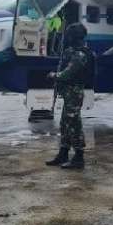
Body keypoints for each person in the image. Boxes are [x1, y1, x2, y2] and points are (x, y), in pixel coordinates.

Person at [46, 23, 95, 170]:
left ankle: (79, 157)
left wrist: (54, 75)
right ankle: (64, 152)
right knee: (65, 123)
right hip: (68, 92)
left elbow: (67, 73)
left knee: (74, 124)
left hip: (74, 92)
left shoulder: (80, 54)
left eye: (69, 36)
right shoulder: (72, 52)